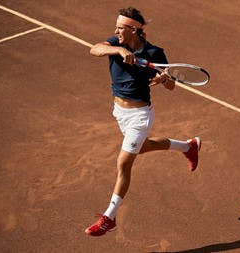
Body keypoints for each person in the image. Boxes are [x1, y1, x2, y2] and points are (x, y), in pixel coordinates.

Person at [85, 7, 201, 236]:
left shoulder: (155, 54)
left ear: (134, 30)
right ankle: (189, 147)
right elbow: (94, 49)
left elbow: (171, 85)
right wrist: (118, 50)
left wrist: (164, 78)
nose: (116, 30)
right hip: (120, 112)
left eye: (120, 28)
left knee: (123, 163)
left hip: (140, 116)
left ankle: (109, 217)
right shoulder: (115, 42)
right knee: (143, 147)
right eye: (117, 27)